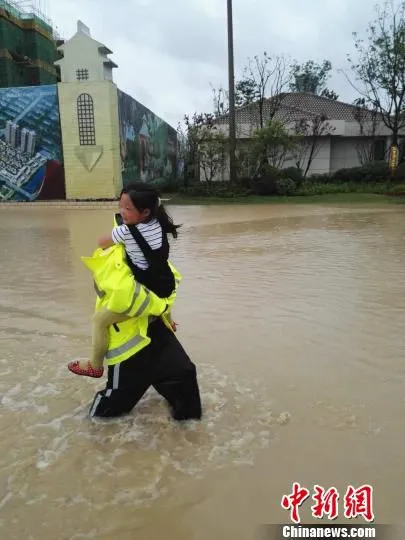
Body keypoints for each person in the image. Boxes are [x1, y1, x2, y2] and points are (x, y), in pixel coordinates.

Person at [68, 226, 202, 420]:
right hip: (136, 340)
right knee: (110, 408)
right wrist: (167, 319)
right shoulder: (137, 263)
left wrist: (167, 320)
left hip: (149, 337)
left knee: (183, 376)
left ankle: (95, 368)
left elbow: (161, 297)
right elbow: (163, 298)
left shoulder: (133, 261)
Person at [68, 183, 180, 378]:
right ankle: (169, 321)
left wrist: (120, 231)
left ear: (145, 212)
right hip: (165, 283)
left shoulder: (127, 232)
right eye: (120, 205)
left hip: (143, 294)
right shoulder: (158, 223)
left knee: (100, 321)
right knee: (160, 293)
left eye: (127, 208)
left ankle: (95, 366)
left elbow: (101, 242)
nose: (121, 211)